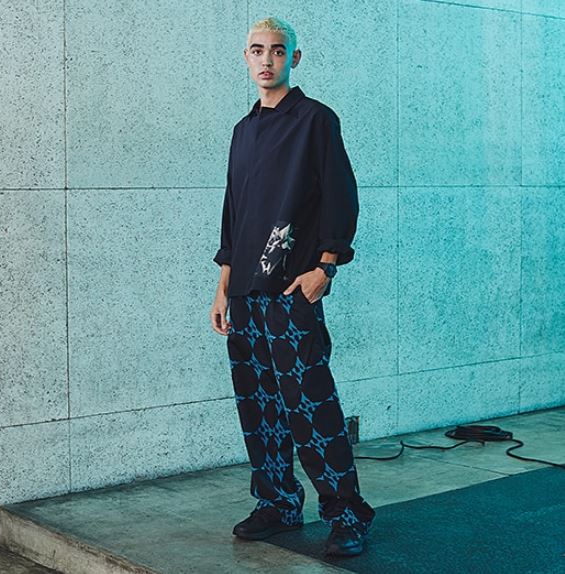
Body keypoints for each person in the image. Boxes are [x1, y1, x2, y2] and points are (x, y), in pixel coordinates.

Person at [210, 16, 376, 557]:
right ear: (246, 57)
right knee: (258, 406)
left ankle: (347, 514)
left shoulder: (316, 120)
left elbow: (341, 196)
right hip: (244, 292)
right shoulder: (243, 130)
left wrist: (325, 267)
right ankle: (278, 503)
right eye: (257, 50)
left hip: (291, 291)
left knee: (310, 405)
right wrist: (223, 286)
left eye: (278, 51)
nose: (267, 60)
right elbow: (234, 213)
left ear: (294, 59)